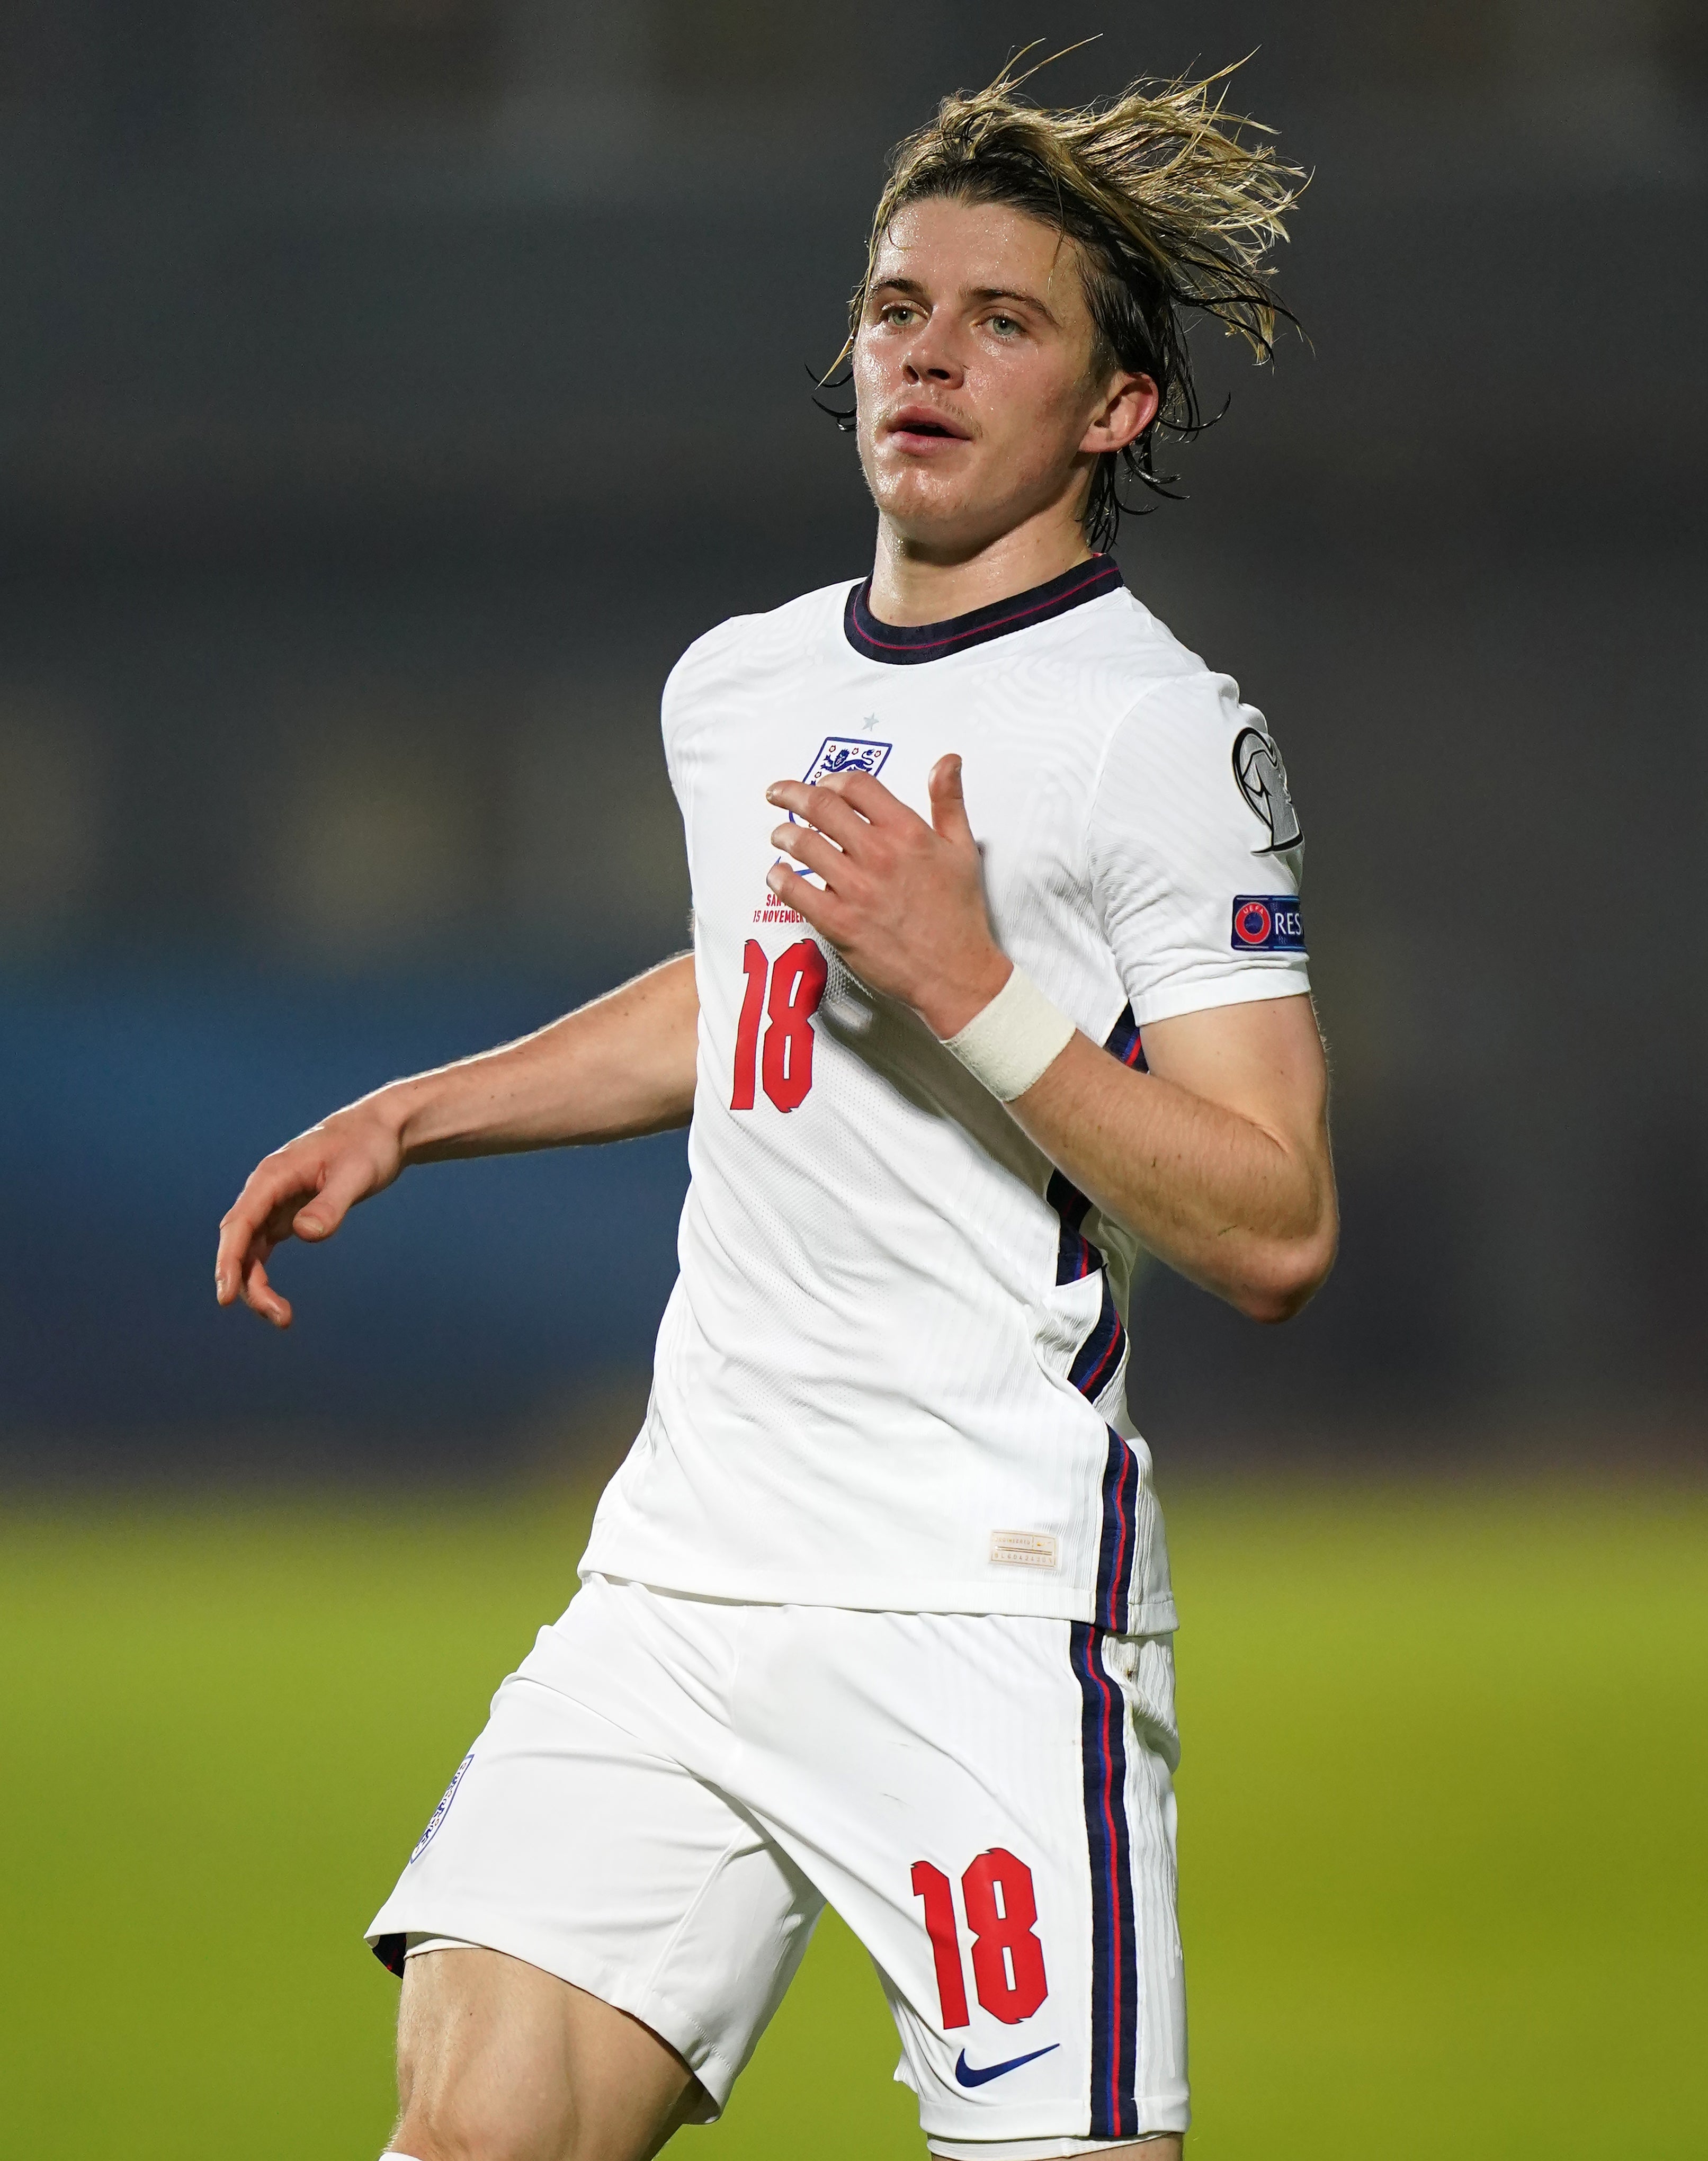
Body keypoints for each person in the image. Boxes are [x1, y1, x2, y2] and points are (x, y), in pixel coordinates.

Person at [216, 60, 1335, 2161]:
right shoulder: (736, 684)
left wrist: (974, 985)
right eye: (901, 302)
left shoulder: (1159, 737)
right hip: (682, 1577)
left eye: (1008, 321)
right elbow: (756, 993)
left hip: (981, 1599)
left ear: (1116, 410)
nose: (930, 347)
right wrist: (419, 1111)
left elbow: (1275, 1222)